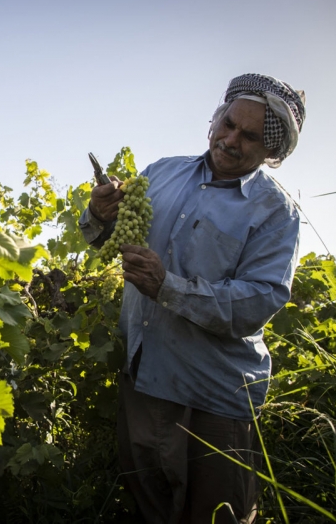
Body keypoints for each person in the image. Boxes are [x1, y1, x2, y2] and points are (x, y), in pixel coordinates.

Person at [79, 73, 306, 523]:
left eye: (249, 136)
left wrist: (169, 288)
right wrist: (98, 215)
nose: (230, 140)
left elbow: (258, 301)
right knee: (151, 510)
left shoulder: (276, 213)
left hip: (213, 397)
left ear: (272, 154)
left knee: (218, 515)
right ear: (216, 119)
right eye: (227, 125)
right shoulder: (162, 173)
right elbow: (109, 235)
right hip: (144, 381)